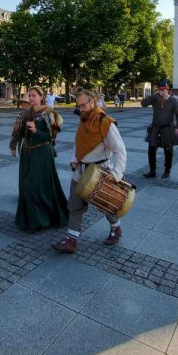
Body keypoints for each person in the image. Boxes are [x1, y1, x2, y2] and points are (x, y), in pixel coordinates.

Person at [52, 89, 126, 253]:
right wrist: (74, 158)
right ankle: (71, 240)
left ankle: (116, 228)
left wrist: (116, 174)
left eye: (83, 105)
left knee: (106, 204)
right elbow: (78, 143)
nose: (80, 109)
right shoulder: (83, 120)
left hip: (99, 170)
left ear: (92, 102)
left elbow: (120, 150)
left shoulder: (106, 122)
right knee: (74, 205)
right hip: (80, 170)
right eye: (79, 106)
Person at [12, 85, 68, 231]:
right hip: (27, 153)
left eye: (33, 95)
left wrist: (36, 130)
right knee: (25, 185)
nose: (30, 98)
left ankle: (43, 219)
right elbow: (19, 133)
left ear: (41, 97)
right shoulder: (26, 113)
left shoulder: (50, 113)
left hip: (42, 154)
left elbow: (51, 138)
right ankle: (31, 220)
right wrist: (14, 144)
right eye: (29, 96)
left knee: (36, 185)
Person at [142, 80, 178, 179]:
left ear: (168, 90)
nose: (162, 92)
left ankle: (167, 171)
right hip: (155, 128)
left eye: (164, 89)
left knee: (168, 151)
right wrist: (154, 95)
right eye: (160, 90)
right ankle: (152, 171)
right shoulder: (155, 99)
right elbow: (143, 103)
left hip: (168, 128)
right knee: (151, 149)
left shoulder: (173, 100)